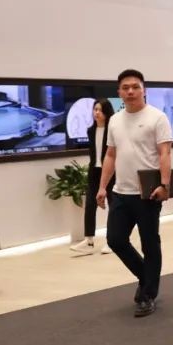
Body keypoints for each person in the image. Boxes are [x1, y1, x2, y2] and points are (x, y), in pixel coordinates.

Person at [96, 69, 173, 318]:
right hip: (120, 192)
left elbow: (164, 153)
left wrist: (164, 185)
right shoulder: (115, 121)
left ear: (143, 90)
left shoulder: (157, 117)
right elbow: (110, 155)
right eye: (125, 87)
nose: (130, 91)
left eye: (135, 87)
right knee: (115, 240)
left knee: (150, 243)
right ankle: (146, 277)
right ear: (119, 92)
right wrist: (102, 187)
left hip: (148, 193)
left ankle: (147, 294)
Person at [71, 99, 115, 256]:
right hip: (94, 171)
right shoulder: (91, 131)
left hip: (111, 171)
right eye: (95, 109)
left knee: (113, 206)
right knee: (90, 204)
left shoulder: (112, 130)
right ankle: (88, 240)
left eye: (100, 110)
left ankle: (112, 241)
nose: (97, 113)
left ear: (107, 112)